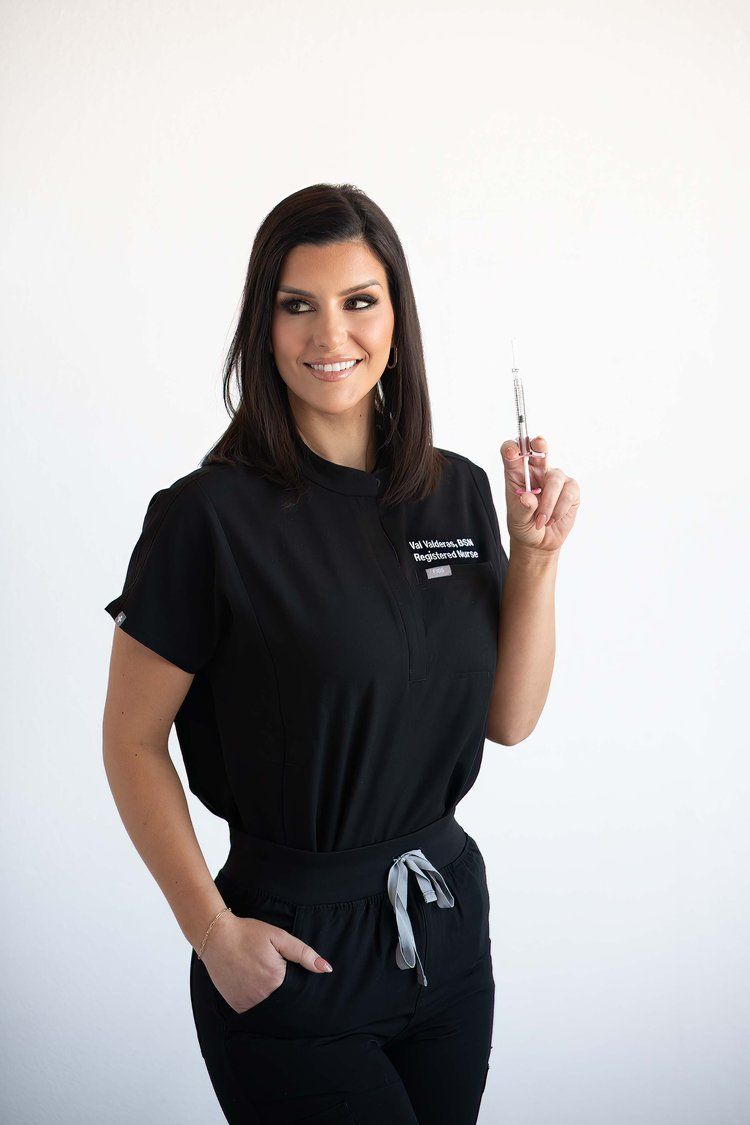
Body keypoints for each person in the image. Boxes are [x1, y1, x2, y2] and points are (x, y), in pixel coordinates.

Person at [102, 183, 579, 1125]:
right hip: (291, 955)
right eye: (298, 305)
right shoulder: (205, 519)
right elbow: (130, 740)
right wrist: (214, 935)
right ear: (262, 325)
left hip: (447, 940)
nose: (332, 334)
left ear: (396, 316)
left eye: (360, 300)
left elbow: (509, 720)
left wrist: (535, 559)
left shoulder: (458, 493)